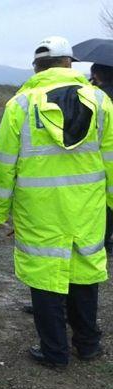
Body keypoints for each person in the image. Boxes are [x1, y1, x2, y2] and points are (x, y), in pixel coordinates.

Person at [0, 36, 112, 368]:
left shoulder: (20, 105)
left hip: (39, 210)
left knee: (44, 279)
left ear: (36, 67)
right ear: (69, 63)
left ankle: (54, 351)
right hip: (87, 208)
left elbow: (2, 165)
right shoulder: (101, 102)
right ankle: (87, 344)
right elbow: (112, 159)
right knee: (84, 274)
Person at [90, 63, 113, 254]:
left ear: (96, 74)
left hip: (103, 154)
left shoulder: (98, 97)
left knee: (105, 202)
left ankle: (104, 239)